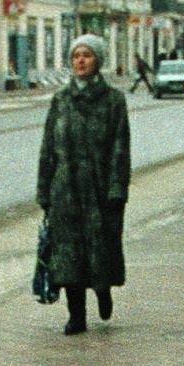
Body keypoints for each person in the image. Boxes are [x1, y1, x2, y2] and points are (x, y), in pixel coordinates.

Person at [36, 33, 130, 337]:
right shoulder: (60, 100)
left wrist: (117, 189)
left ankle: (103, 291)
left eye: (87, 55)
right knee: (67, 253)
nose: (80, 61)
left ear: (98, 61)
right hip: (65, 189)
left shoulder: (114, 101)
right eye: (76, 55)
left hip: (101, 189)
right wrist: (44, 190)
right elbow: (47, 147)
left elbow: (120, 148)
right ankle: (76, 315)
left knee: (100, 247)